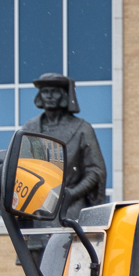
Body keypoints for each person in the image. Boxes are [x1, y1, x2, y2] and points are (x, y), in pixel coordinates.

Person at [25, 73, 106, 221]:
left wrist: (71, 194)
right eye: (45, 91)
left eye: (54, 91)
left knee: (68, 243)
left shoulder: (82, 128)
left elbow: (95, 170)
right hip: (38, 210)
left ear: (63, 95)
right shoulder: (30, 128)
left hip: (72, 209)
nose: (49, 96)